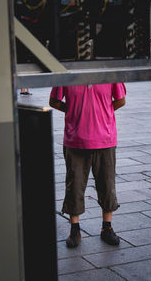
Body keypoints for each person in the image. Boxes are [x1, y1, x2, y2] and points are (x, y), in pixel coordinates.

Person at [49, 82, 126, 248]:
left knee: (107, 184)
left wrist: (102, 112)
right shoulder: (67, 72)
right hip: (75, 140)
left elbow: (120, 100)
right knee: (74, 185)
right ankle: (75, 229)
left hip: (105, 139)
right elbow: (54, 101)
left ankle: (107, 227)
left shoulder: (109, 72)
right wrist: (73, 110)